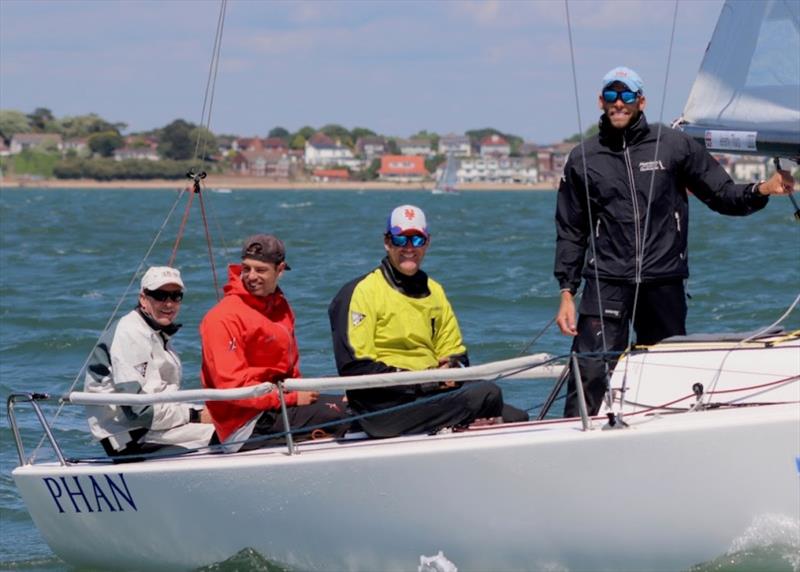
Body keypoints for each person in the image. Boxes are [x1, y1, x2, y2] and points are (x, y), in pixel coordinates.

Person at [554, 66, 795, 417]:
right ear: (601, 101)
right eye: (611, 95)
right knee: (589, 373)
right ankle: (573, 443)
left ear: (641, 101)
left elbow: (722, 195)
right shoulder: (583, 158)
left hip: (663, 281)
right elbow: (570, 229)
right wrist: (566, 292)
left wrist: (763, 190)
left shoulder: (673, 145)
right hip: (607, 282)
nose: (618, 103)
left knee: (666, 376)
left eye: (626, 96)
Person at [329, 204, 529, 438]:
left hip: (428, 396)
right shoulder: (361, 292)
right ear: (387, 242)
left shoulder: (436, 292)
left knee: (517, 417)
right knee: (486, 393)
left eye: (417, 240)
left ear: (427, 242)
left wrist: (452, 368)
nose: (409, 248)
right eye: (400, 240)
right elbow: (356, 367)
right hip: (382, 408)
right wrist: (422, 382)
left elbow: (455, 351)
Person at [200, 234, 348, 451]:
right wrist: (293, 399)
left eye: (261, 270)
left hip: (276, 405)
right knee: (348, 415)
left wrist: (301, 396)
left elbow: (290, 371)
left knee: (353, 403)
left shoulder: (281, 308)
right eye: (247, 268)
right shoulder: (223, 318)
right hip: (246, 425)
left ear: (280, 270)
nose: (251, 276)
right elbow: (233, 389)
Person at [84, 266, 215, 458]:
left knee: (237, 422)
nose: (169, 304)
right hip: (131, 438)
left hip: (152, 427)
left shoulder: (153, 331)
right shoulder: (131, 334)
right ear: (143, 299)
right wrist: (196, 416)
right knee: (229, 435)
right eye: (160, 296)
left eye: (175, 296)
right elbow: (141, 410)